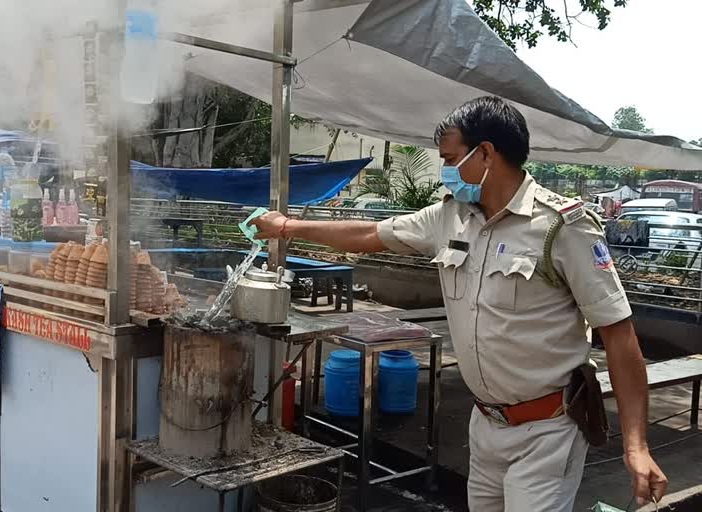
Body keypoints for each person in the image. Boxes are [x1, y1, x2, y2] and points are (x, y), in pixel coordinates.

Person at [251, 96, 667, 511]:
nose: (447, 172)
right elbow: (367, 234)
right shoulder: (450, 217)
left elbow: (618, 332)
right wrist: (287, 227)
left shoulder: (562, 226)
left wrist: (636, 445)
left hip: (547, 432)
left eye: (451, 159)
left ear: (485, 153)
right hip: (485, 424)